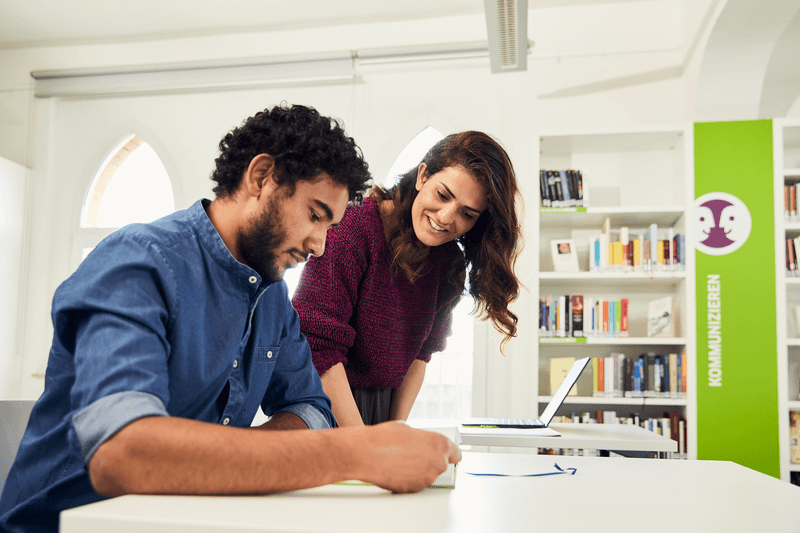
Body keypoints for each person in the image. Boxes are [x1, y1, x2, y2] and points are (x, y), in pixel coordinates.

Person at [0, 104, 461, 533]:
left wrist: (229, 464)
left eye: (330, 227)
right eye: (315, 216)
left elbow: (311, 410)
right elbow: (122, 453)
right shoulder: (137, 263)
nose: (320, 245)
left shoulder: (273, 297)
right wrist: (356, 454)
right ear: (261, 176)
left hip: (182, 518)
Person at [292, 131, 522, 426]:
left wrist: (393, 430)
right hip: (322, 401)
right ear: (423, 176)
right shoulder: (352, 230)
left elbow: (420, 356)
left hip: (382, 405)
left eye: (467, 213)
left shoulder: (449, 263)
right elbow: (318, 347)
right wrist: (365, 442)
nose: (446, 217)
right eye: (442, 195)